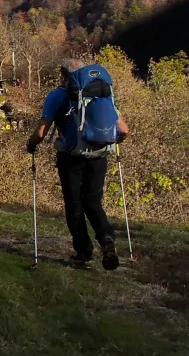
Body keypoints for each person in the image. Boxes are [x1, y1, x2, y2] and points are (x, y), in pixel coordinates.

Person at [26, 58, 131, 269]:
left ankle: (84, 252)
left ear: (63, 75)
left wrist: (31, 144)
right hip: (99, 154)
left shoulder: (57, 95)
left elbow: (41, 130)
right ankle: (106, 239)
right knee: (93, 202)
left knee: (74, 204)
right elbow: (125, 130)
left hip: (71, 156)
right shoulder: (103, 94)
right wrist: (113, 141)